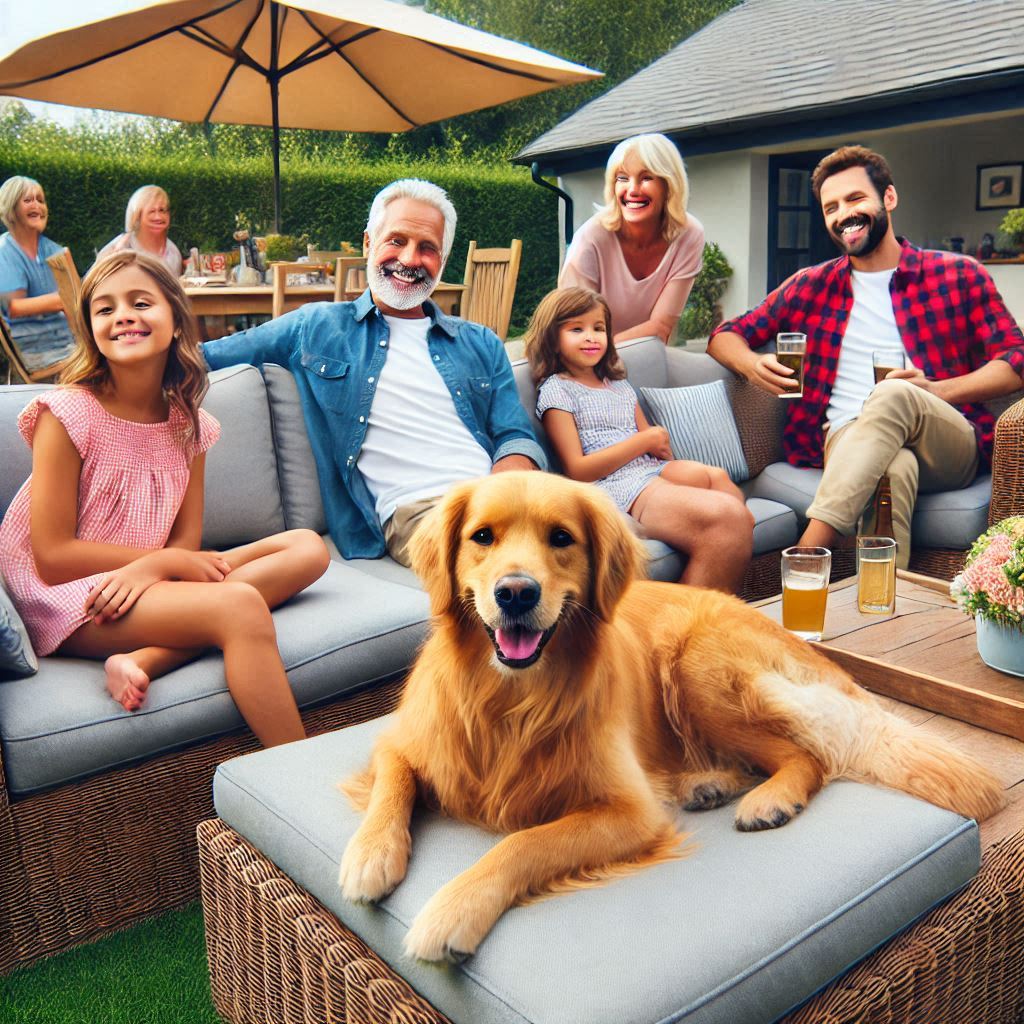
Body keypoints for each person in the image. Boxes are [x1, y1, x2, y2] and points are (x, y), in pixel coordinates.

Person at [0, 251, 329, 747]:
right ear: (92, 330)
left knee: (307, 546)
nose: (123, 315)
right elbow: (50, 557)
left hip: (146, 575)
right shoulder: (66, 414)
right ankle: (296, 779)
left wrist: (154, 567)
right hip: (69, 596)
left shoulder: (187, 423)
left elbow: (186, 540)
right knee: (238, 606)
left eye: (140, 302)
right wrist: (161, 564)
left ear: (175, 320)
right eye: (105, 309)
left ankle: (141, 659)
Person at [707, 145, 1024, 567]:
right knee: (892, 471)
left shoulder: (957, 274)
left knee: (892, 394)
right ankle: (879, 616)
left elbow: (1016, 357)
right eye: (831, 207)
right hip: (846, 439)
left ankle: (809, 548)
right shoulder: (810, 286)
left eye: (855, 199)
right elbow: (725, 335)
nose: (843, 215)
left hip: (947, 441)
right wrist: (751, 365)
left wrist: (936, 390)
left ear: (888, 199)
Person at [203, 178, 547, 566]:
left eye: (428, 248)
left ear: (443, 261)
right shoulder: (317, 326)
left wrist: (499, 494)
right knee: (522, 571)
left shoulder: (481, 343)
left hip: (503, 501)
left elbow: (515, 436)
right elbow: (206, 356)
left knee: (613, 552)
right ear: (369, 243)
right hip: (421, 513)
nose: (411, 259)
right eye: (396, 240)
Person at [525, 286, 753, 593]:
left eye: (599, 328)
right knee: (728, 516)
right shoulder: (558, 389)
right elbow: (577, 469)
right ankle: (688, 619)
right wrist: (645, 442)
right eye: (576, 329)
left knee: (716, 477)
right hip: (614, 485)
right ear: (552, 338)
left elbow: (655, 448)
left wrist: (657, 448)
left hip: (648, 469)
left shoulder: (617, 384)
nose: (591, 337)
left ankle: (730, 544)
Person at [558, 133, 704, 345]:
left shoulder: (689, 234)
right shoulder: (589, 240)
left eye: (646, 178)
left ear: (669, 185)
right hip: (585, 361)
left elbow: (662, 327)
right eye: (622, 178)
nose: (633, 190)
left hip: (645, 354)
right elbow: (578, 335)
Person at [0, 175, 76, 370]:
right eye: (28, 200)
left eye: (40, 200)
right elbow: (13, 307)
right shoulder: (4, 251)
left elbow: (75, 303)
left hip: (66, 340)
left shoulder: (54, 250)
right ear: (11, 208)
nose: (37, 206)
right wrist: (64, 299)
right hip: (33, 349)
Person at [97, 185, 183, 276]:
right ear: (137, 216)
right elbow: (92, 284)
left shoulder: (173, 253)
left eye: (162, 210)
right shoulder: (120, 248)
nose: (158, 217)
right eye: (152, 211)